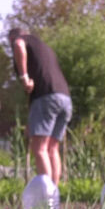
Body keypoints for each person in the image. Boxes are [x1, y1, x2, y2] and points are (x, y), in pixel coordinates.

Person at [8, 28, 72, 185]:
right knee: (52, 148)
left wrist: (24, 77)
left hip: (46, 99)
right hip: (65, 99)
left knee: (39, 148)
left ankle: (46, 195)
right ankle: (54, 195)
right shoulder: (44, 48)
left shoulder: (21, 40)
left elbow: (18, 44)